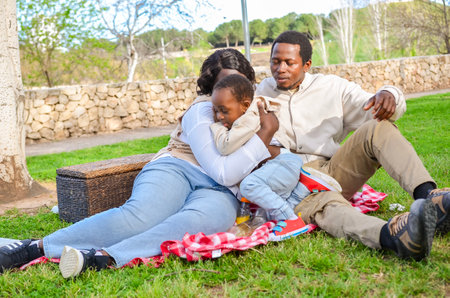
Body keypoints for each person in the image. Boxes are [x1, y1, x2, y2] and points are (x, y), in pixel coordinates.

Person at [0, 49, 278, 278]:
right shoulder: (203, 110)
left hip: (219, 191)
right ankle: (35, 248)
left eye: (240, 83)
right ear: (210, 87)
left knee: (208, 220)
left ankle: (101, 258)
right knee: (143, 216)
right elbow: (222, 171)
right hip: (178, 168)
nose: (232, 91)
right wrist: (264, 136)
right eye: (223, 84)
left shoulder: (254, 109)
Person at [255, 30, 449, 260]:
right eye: (275, 62)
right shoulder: (257, 92)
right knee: (327, 207)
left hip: (333, 171)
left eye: (289, 62)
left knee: (377, 128)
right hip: (289, 183)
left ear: (306, 65)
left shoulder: (332, 87)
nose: (281, 68)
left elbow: (376, 102)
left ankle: (431, 200)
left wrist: (389, 95)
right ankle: (394, 235)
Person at [210, 74, 341, 241]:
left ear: (244, 106)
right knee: (274, 204)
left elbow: (225, 146)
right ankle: (304, 187)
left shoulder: (248, 118)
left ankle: (290, 221)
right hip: (280, 167)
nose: (219, 117)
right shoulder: (244, 116)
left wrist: (214, 126)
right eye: (215, 111)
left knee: (249, 186)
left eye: (224, 110)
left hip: (282, 163)